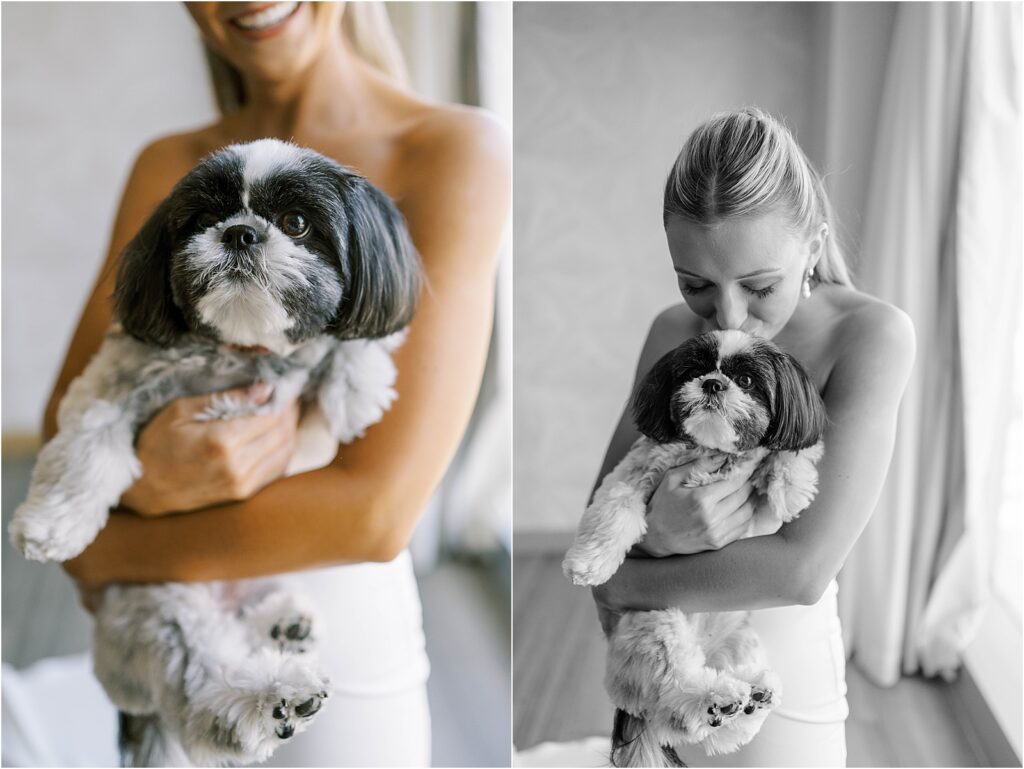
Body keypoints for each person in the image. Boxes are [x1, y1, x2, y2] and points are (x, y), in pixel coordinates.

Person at [51, 2, 510, 766]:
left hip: (334, 649)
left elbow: (375, 514)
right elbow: (71, 418)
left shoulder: (456, 148)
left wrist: (112, 542)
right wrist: (141, 490)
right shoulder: (166, 165)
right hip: (167, 643)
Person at [589, 108, 915, 767]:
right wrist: (653, 536)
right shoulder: (667, 332)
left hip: (780, 672)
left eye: (760, 286)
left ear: (814, 242)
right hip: (663, 658)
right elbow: (601, 512)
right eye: (695, 286)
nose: (728, 315)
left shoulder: (871, 337)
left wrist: (627, 579)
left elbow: (800, 569)